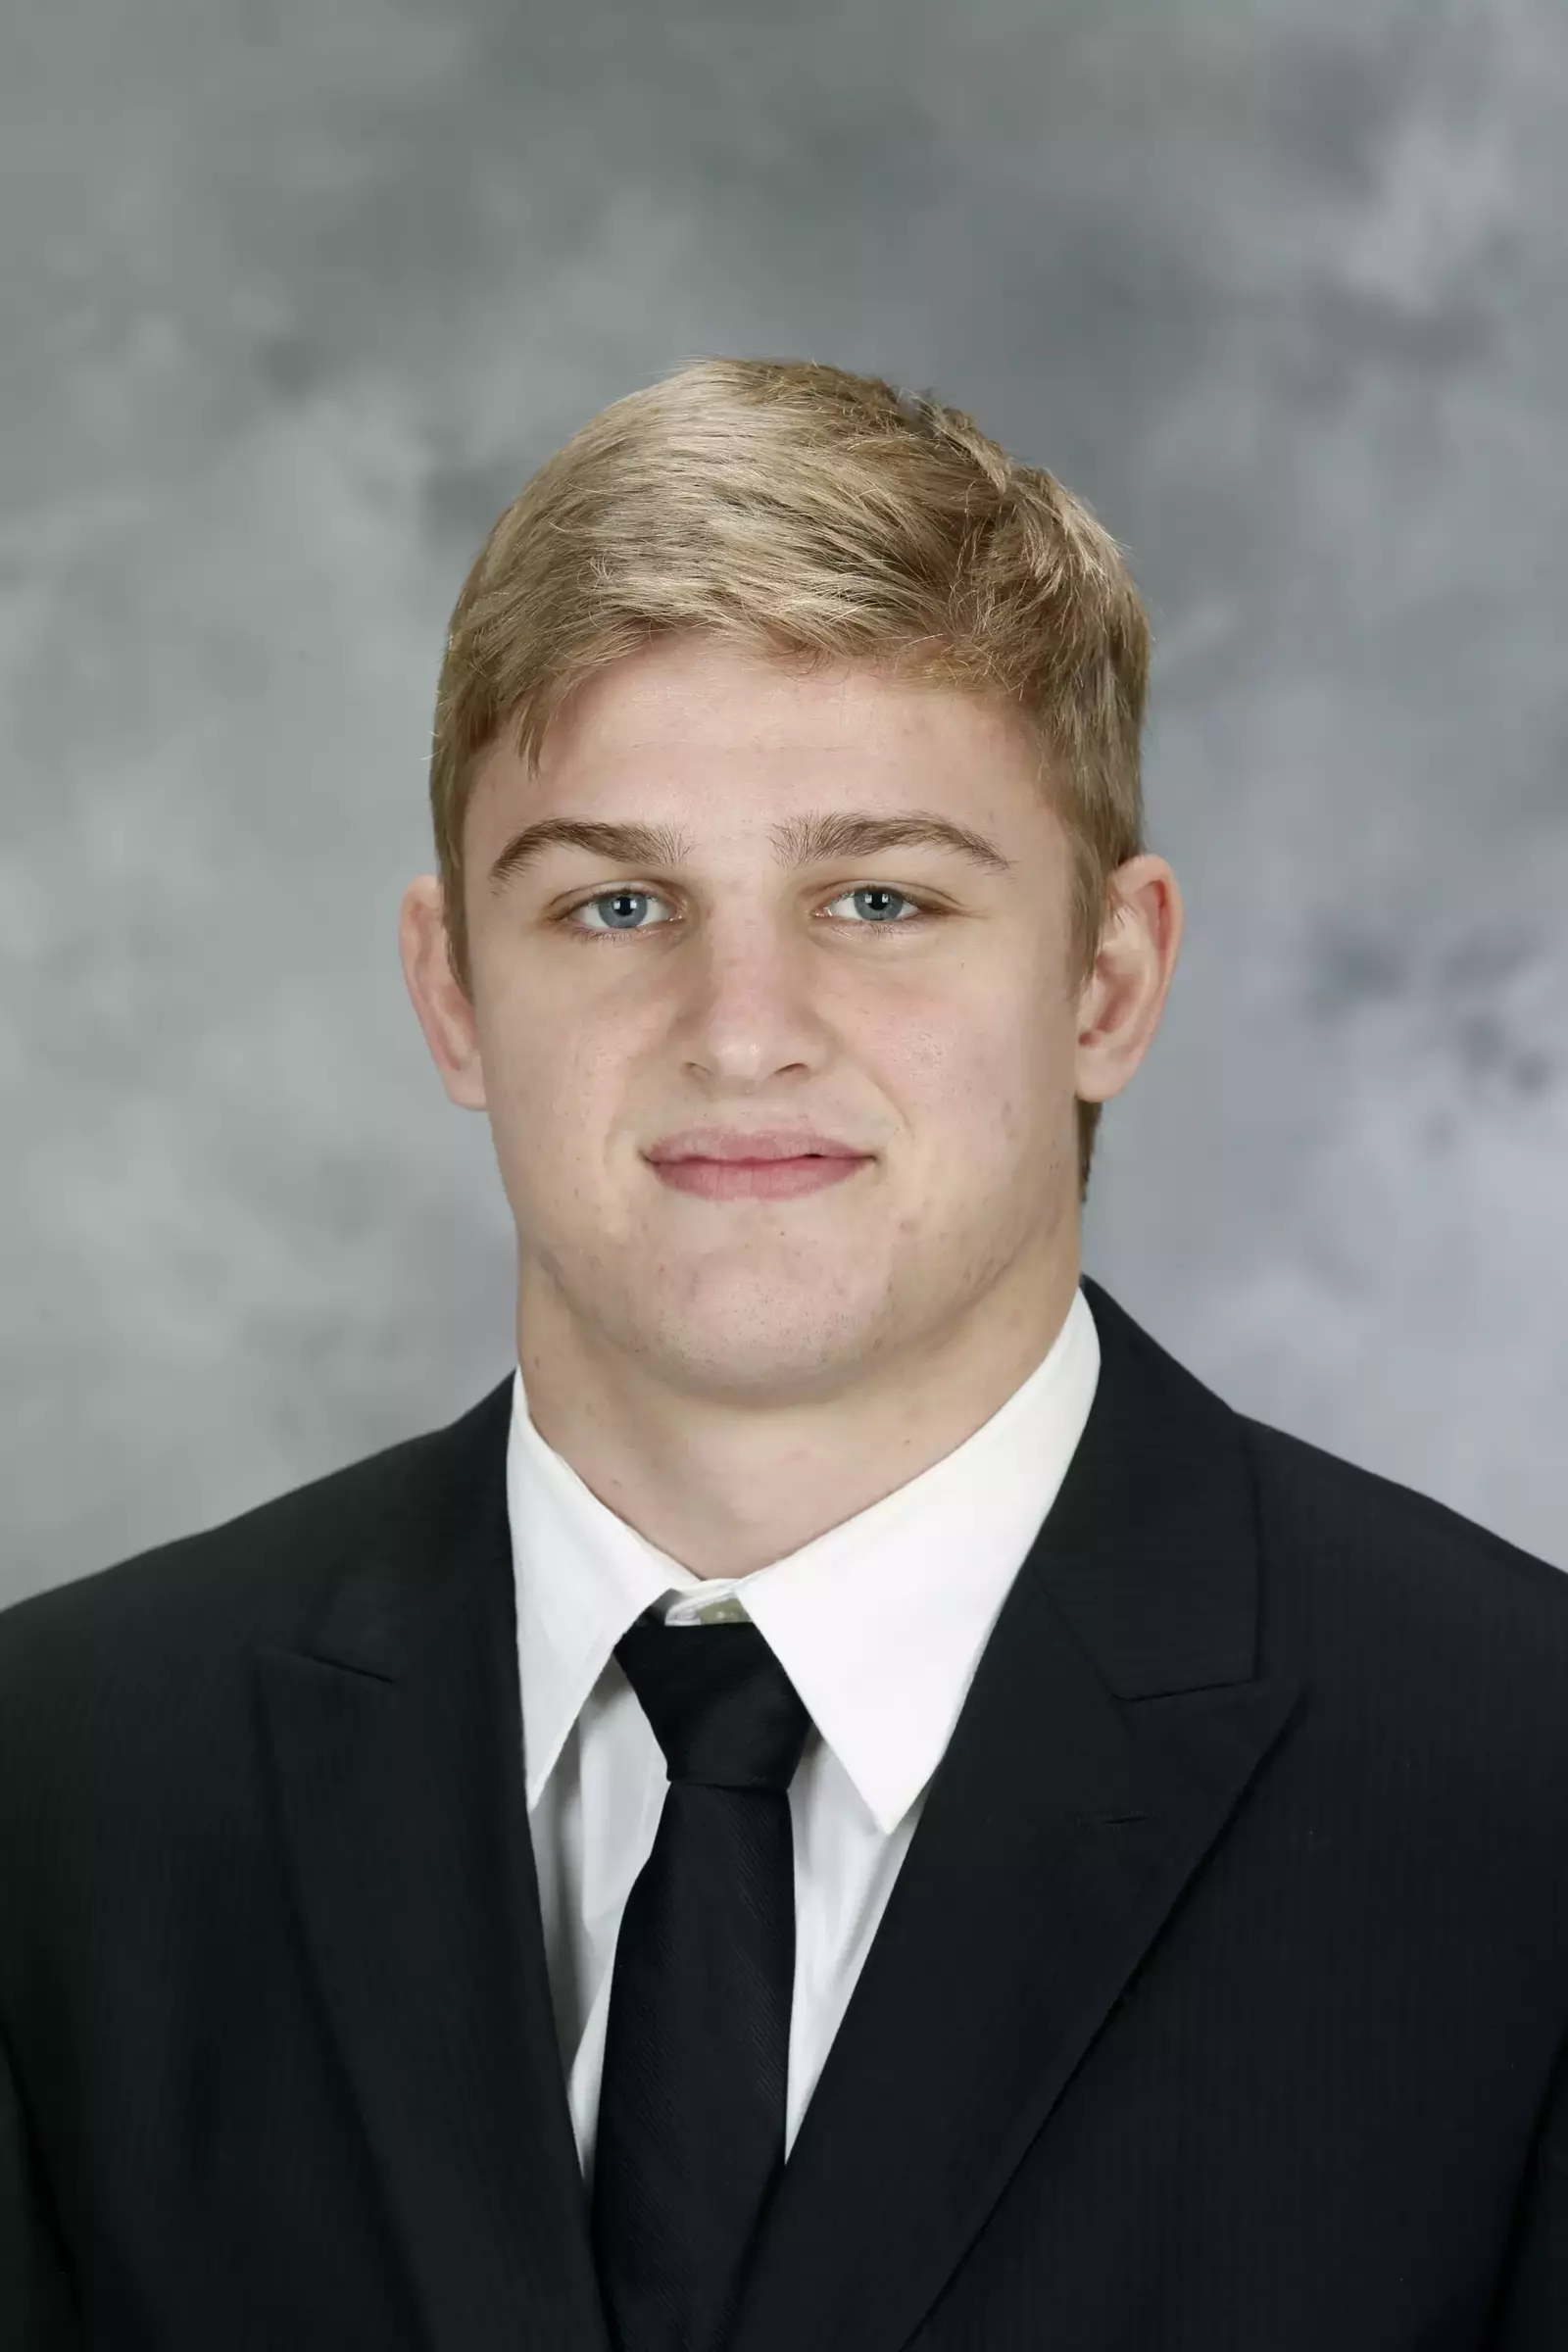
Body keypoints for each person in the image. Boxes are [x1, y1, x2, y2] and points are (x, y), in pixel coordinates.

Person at [1, 356, 1564, 2352]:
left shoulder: (1519, 1791)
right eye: (615, 903)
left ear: (1107, 980)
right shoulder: (59, 1793)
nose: (742, 1030)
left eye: (880, 898)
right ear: (452, 992)